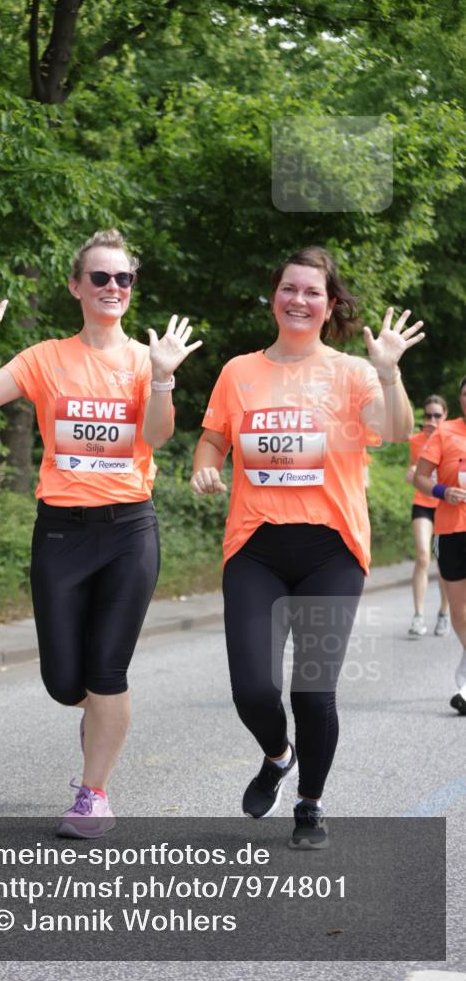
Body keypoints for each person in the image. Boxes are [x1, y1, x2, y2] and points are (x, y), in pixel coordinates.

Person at [0, 229, 201, 838]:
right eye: (100, 278)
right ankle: (92, 716)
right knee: (66, 683)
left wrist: (164, 377)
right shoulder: (45, 357)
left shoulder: (148, 359)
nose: (113, 288)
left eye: (124, 279)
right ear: (76, 286)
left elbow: (159, 436)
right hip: (62, 532)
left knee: (107, 672)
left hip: (129, 530)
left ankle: (93, 794)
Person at [191, 246, 422, 849]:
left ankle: (310, 804)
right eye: (289, 288)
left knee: (313, 691)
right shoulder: (239, 371)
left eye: (312, 292)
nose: (299, 299)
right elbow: (214, 439)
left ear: (330, 305)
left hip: (331, 551)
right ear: (275, 296)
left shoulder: (351, 372)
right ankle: (277, 753)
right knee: (254, 690)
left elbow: (396, 431)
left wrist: (390, 371)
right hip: (255, 548)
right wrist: (204, 466)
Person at [413, 375, 466, 715]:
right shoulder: (445, 433)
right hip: (451, 529)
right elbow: (420, 476)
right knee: (460, 613)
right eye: (465, 394)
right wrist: (441, 492)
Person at [406, 394, 450, 636]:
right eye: (428, 415)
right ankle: (418, 615)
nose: (432, 420)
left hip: (445, 506)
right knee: (423, 556)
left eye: (437, 415)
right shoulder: (416, 441)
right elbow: (414, 470)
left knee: (444, 562)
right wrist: (411, 474)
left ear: (445, 415)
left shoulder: (452, 438)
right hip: (422, 504)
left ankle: (444, 613)